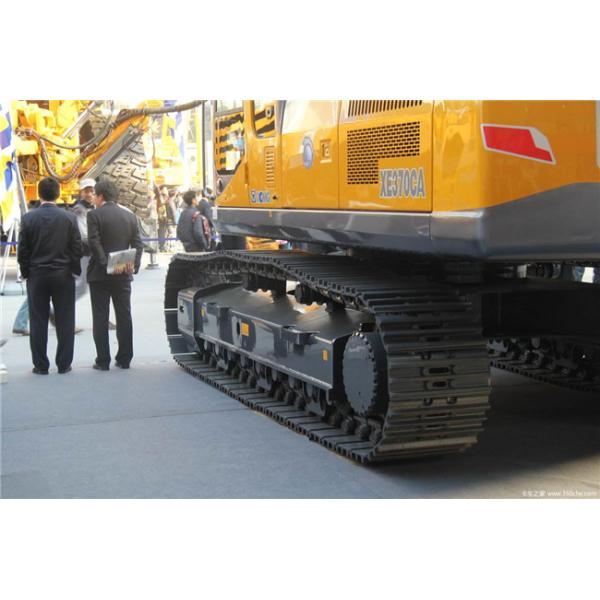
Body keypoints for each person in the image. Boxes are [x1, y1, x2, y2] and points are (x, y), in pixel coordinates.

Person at [17, 177, 82, 374]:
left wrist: (26, 272)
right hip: (63, 274)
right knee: (65, 320)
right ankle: (64, 364)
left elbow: (23, 251)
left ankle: (40, 365)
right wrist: (74, 270)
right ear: (58, 194)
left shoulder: (28, 218)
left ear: (39, 194)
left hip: (37, 275)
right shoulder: (69, 218)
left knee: (38, 321)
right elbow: (76, 248)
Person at [87, 179, 143, 370]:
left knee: (100, 317)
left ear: (100, 196)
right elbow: (138, 244)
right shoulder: (129, 216)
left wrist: (106, 264)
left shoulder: (94, 215)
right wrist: (133, 265)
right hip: (123, 273)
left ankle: (103, 361)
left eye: (95, 196)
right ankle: (125, 358)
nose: (93, 199)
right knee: (124, 315)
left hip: (99, 275)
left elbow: (94, 242)